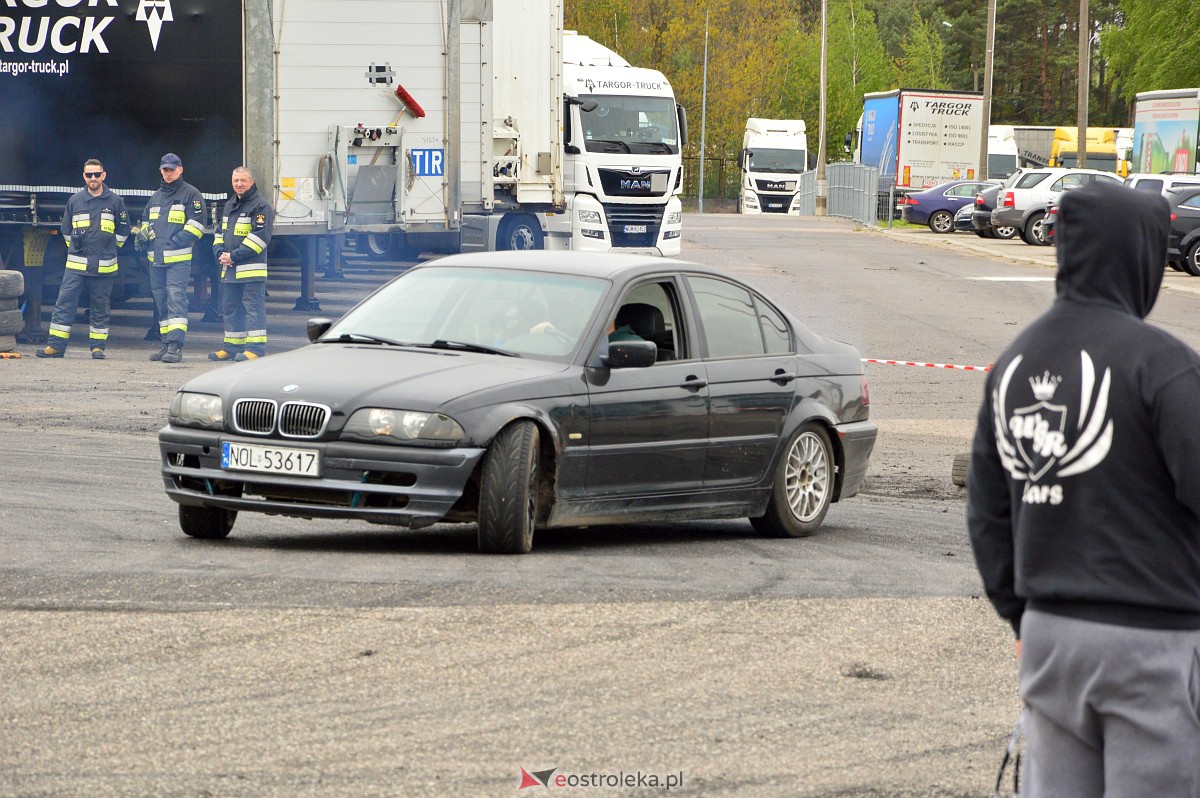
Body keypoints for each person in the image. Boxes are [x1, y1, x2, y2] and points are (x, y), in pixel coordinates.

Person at [967, 180, 1200, 796]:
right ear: (1140, 256)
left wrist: (1023, 614)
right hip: (1154, 641)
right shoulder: (1162, 363)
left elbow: (987, 516)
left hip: (1050, 634)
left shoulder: (1014, 364)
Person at [37, 159, 131, 359]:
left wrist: (109, 249)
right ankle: (55, 346)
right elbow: (66, 230)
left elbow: (124, 231)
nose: (93, 178)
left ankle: (97, 347)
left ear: (104, 175)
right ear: (84, 176)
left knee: (100, 306)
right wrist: (77, 249)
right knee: (64, 303)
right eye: (89, 175)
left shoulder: (116, 201)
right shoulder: (75, 201)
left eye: (97, 174)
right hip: (76, 265)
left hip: (104, 266)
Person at [141, 153, 206, 363]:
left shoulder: (191, 194)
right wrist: (142, 236)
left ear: (180, 169)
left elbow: (197, 226)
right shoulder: (156, 197)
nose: (168, 173)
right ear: (161, 171)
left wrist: (174, 242)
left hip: (177, 260)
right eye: (165, 170)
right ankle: (166, 343)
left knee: (176, 300)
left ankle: (176, 347)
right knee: (162, 302)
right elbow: (145, 221)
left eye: (172, 169)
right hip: (156, 260)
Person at [209, 166, 272, 362]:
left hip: (250, 270)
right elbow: (219, 232)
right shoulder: (229, 205)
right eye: (236, 181)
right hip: (230, 269)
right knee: (230, 307)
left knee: (253, 308)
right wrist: (220, 252)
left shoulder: (261, 206)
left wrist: (233, 256)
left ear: (251, 182)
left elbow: (260, 238)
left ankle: (255, 349)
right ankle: (232, 346)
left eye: (243, 180)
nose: (239, 184)